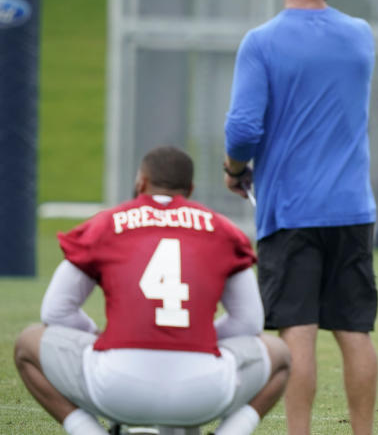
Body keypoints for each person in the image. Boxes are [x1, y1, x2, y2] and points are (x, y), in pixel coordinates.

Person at [13, 146, 290, 435]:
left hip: (116, 387)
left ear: (141, 182)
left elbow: (55, 311)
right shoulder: (223, 230)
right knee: (279, 354)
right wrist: (195, 338)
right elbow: (249, 323)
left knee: (28, 343)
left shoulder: (106, 224)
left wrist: (96, 335)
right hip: (202, 391)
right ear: (190, 189)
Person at [223, 0, 378, 435]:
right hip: (353, 209)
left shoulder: (260, 43)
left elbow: (244, 128)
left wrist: (235, 169)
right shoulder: (360, 36)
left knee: (299, 333)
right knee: (355, 332)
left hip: (290, 211)